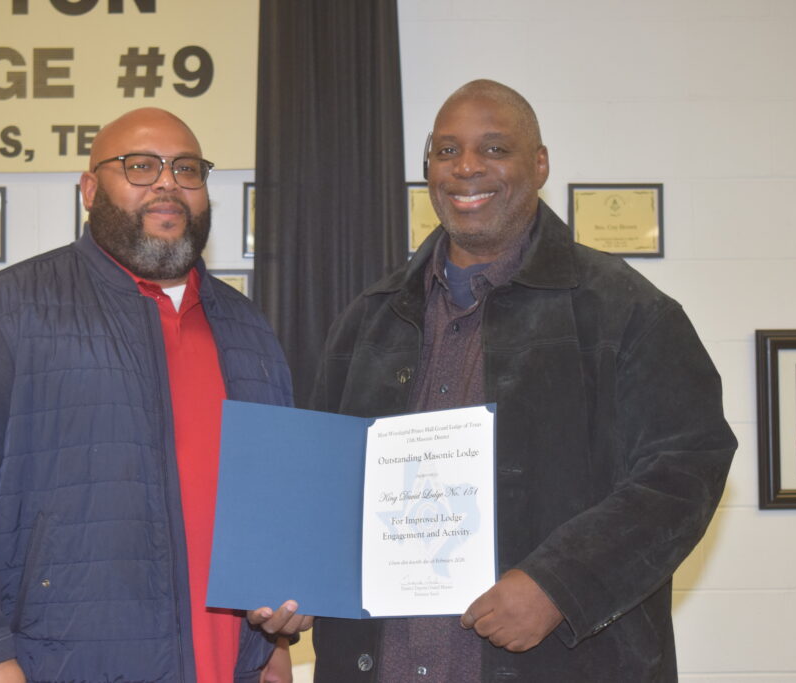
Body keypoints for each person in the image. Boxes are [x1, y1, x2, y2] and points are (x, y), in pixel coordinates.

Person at [310, 80, 737, 681]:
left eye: (494, 148)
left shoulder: (624, 310)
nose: (466, 168)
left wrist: (561, 584)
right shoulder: (369, 318)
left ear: (539, 164)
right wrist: (293, 577)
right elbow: (321, 483)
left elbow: (686, 469)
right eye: (447, 150)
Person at [0, 108, 310, 683]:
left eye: (186, 169)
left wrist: (275, 644)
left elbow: (275, 499)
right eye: (140, 166)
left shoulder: (249, 330)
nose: (167, 183)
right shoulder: (6, 313)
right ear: (90, 190)